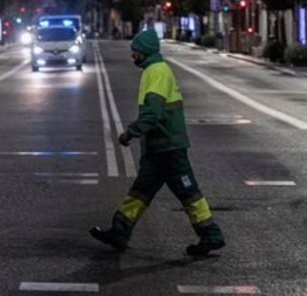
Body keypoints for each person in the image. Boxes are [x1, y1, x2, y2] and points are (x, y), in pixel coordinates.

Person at [90, 29, 225, 256]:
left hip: (169, 147)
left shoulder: (157, 72)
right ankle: (119, 232)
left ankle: (211, 234)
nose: (132, 56)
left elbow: (153, 113)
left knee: (188, 192)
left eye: (135, 52)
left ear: (144, 52)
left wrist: (130, 133)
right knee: (140, 192)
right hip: (158, 147)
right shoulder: (152, 71)